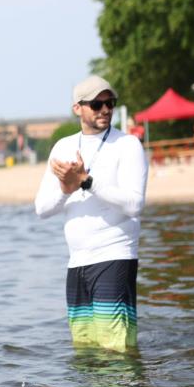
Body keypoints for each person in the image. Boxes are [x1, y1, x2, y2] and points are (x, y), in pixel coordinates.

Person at [34, 76, 148, 352]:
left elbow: (135, 204)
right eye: (97, 104)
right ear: (78, 108)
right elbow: (42, 209)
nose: (105, 110)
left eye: (110, 103)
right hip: (78, 263)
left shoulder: (128, 145)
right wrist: (66, 188)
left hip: (114, 256)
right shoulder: (62, 147)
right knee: (85, 351)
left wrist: (87, 181)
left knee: (116, 350)